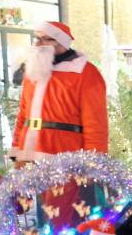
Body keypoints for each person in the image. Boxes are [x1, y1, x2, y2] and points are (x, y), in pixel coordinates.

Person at [11, 21, 108, 164]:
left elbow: (95, 125)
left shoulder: (86, 73)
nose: (39, 44)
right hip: (27, 157)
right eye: (37, 39)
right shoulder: (32, 71)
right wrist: (16, 150)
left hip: (65, 159)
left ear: (62, 42)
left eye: (47, 39)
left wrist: (93, 164)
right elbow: (23, 116)